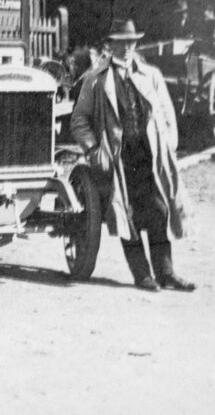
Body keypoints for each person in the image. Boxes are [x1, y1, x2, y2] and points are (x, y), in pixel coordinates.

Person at [71, 19, 194, 292]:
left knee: (161, 211)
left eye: (130, 42)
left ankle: (166, 273)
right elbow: (79, 119)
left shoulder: (151, 75)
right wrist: (93, 150)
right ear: (109, 45)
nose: (126, 48)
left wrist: (169, 145)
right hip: (118, 159)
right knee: (128, 215)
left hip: (149, 157)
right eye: (119, 42)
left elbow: (166, 112)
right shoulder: (96, 79)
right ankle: (142, 275)